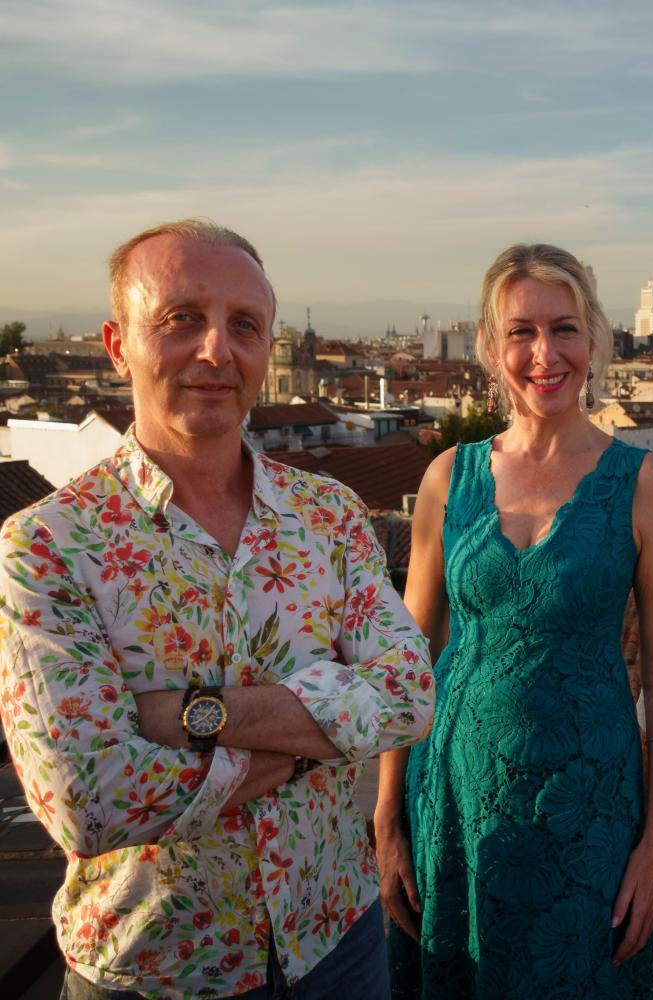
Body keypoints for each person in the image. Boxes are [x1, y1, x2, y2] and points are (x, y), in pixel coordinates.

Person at [0, 219, 434, 999]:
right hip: (154, 967)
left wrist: (191, 715)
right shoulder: (48, 545)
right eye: (181, 318)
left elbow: (408, 695)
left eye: (244, 325)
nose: (216, 350)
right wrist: (313, 744)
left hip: (337, 939)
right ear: (117, 345)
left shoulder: (330, 514)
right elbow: (88, 802)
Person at [375, 243, 653, 998]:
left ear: (595, 339)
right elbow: (407, 657)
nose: (545, 354)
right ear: (491, 348)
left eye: (564, 329)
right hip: (454, 800)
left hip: (589, 809)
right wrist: (388, 814)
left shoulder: (641, 482)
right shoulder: (447, 476)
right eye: (521, 331)